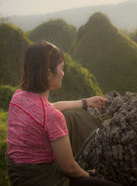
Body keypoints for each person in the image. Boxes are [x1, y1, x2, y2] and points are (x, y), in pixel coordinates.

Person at [7, 40, 121, 186]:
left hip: (18, 177)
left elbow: (51, 107)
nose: (63, 73)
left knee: (70, 115)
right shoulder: (52, 117)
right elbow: (70, 168)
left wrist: (86, 102)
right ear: (48, 73)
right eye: (61, 68)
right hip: (44, 179)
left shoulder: (18, 97)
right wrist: (86, 175)